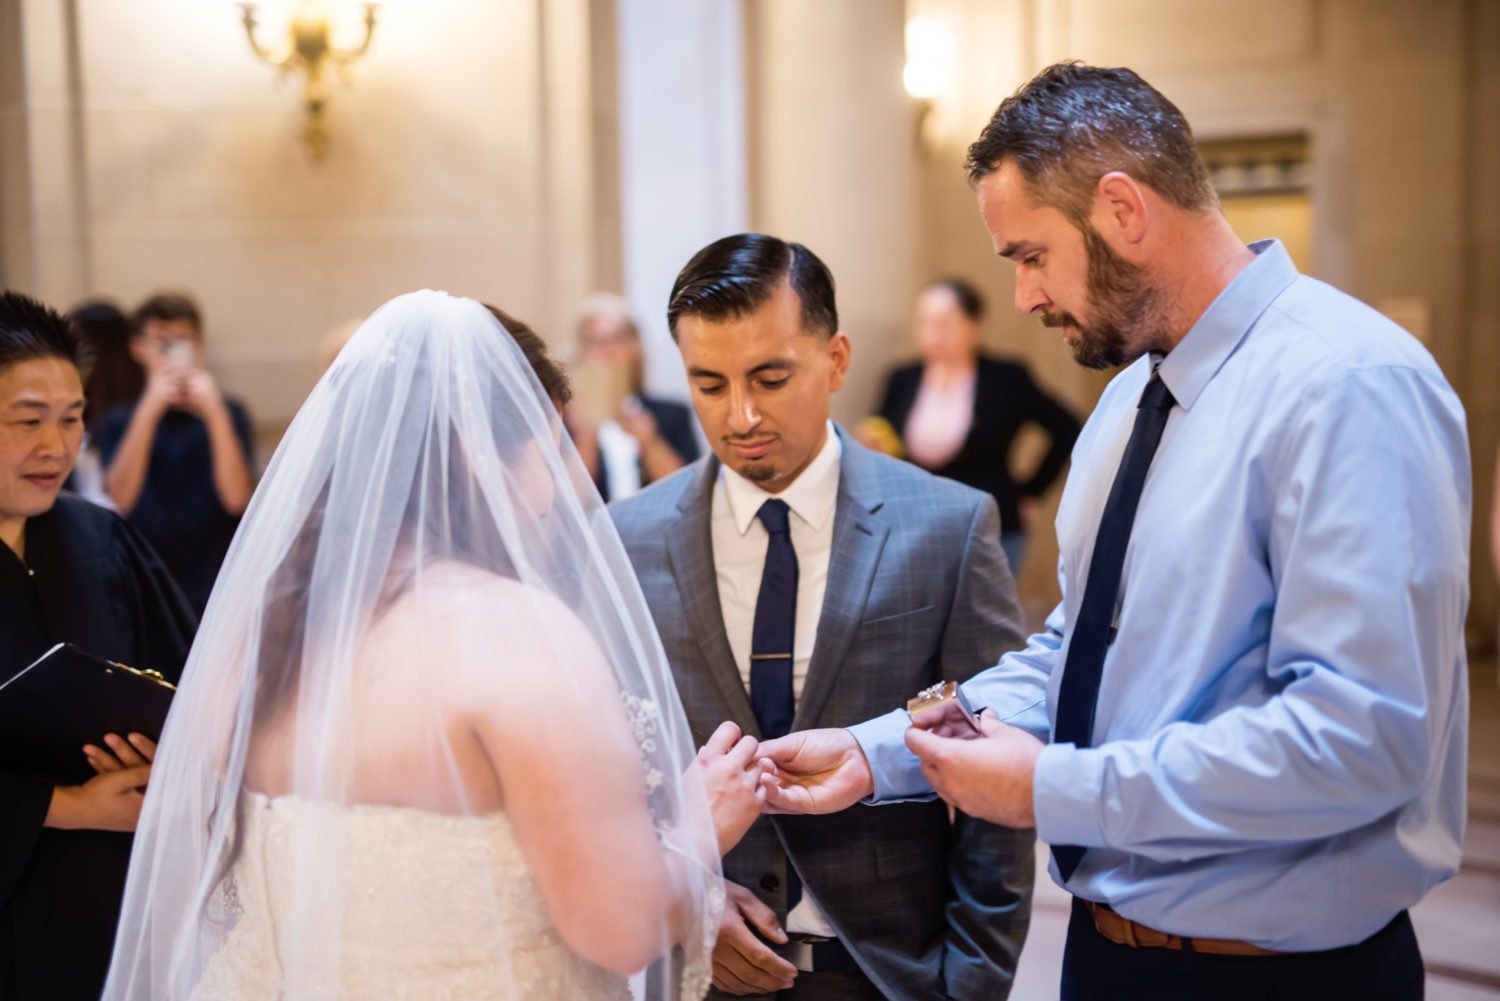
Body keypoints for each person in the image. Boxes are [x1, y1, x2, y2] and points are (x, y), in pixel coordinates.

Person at [758, 62, 1469, 1001]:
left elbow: (1360, 739)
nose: (1022, 298)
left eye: (1029, 255)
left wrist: (1052, 789)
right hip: (1109, 954)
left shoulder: (1347, 385)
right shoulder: (1132, 395)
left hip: (1281, 975)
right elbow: (1073, 650)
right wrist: (879, 750)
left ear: (1123, 210)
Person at [103, 290, 765, 1000]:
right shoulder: (519, 639)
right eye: (550, 450)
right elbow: (620, 927)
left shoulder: (262, 636)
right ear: (478, 458)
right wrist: (700, 826)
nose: (569, 481)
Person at [611, 234, 1033, 1000]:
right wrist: (681, 898)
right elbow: (603, 774)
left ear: (836, 359)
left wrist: (971, 980)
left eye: (771, 377)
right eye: (708, 384)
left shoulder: (949, 524)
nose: (740, 415)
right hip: (701, 973)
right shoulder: (624, 539)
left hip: (888, 971)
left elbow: (996, 768)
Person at [0, 290, 196, 1001]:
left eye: (72, 417)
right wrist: (70, 804)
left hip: (119, 896)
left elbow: (190, 678)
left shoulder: (101, 537)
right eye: (27, 420)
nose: (55, 446)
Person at [876, 277, 1079, 573]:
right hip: (916, 523)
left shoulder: (1006, 378)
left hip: (990, 523)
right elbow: (882, 435)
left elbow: (1067, 428)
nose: (933, 335)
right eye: (926, 323)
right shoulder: (903, 377)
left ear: (975, 325)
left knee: (985, 615)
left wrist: (1031, 492)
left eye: (945, 324)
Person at [94, 293, 256, 616]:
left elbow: (238, 499)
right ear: (138, 348)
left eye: (182, 341)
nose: (172, 353)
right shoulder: (118, 420)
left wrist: (214, 414)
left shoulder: (230, 413)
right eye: (161, 343)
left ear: (199, 347)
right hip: (146, 583)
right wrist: (150, 409)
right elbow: (121, 498)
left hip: (216, 583)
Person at [568, 293, 700, 502]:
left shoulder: (672, 414)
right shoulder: (564, 421)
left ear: (635, 348)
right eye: (595, 341)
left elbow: (690, 495)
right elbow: (564, 507)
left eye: (617, 339)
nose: (607, 351)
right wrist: (586, 436)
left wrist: (649, 442)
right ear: (580, 351)